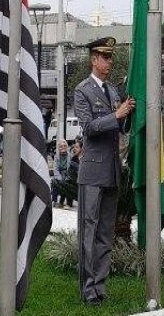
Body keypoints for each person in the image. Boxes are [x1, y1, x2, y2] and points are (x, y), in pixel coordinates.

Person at [74, 36, 135, 305]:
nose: (109, 62)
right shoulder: (82, 90)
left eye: (111, 57)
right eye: (104, 57)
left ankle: (100, 286)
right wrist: (117, 115)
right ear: (93, 59)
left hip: (111, 170)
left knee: (105, 232)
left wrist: (129, 113)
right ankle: (88, 290)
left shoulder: (112, 91)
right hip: (92, 172)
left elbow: (120, 128)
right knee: (89, 230)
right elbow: (88, 128)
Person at [52, 139, 71, 208]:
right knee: (54, 182)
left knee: (67, 182)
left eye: (64, 146)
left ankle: (65, 202)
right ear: (58, 148)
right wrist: (59, 178)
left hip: (68, 174)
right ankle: (55, 201)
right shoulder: (56, 156)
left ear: (67, 147)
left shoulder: (70, 156)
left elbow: (71, 169)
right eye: (61, 146)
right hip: (59, 174)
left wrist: (67, 176)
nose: (63, 147)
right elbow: (55, 169)